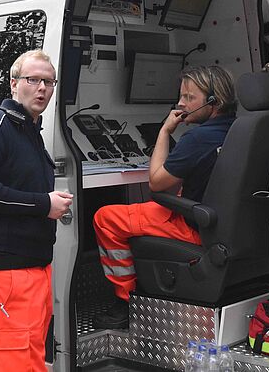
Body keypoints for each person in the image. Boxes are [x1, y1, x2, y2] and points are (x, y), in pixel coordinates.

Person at [92, 65, 237, 329]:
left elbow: (157, 183)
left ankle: (126, 301)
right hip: (224, 226)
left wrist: (164, 132)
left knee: (106, 218)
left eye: (189, 97)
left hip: (195, 227)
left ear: (214, 102)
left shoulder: (198, 138)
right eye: (181, 96)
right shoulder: (239, 129)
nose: (180, 104)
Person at [0, 49, 73, 371]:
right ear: (13, 84)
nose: (42, 88)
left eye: (48, 82)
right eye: (32, 80)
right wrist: (44, 204)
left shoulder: (29, 129)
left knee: (32, 362)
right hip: (6, 275)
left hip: (35, 270)